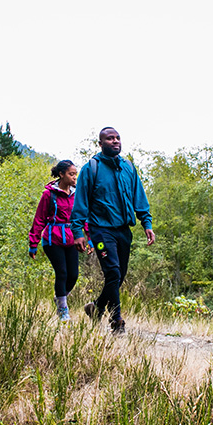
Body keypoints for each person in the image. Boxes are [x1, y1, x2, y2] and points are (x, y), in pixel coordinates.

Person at [71, 127, 155, 334]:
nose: (115, 141)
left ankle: (97, 307)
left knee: (119, 275)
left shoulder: (128, 168)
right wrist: (78, 232)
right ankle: (116, 320)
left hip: (123, 230)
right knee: (113, 271)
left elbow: (139, 197)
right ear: (100, 143)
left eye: (117, 138)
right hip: (100, 230)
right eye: (110, 138)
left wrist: (146, 223)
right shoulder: (91, 168)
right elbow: (80, 202)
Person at [28, 160, 84, 321]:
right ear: (61, 174)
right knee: (62, 272)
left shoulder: (76, 194)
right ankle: (63, 310)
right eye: (71, 174)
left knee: (73, 274)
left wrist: (89, 237)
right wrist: (33, 243)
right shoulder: (49, 194)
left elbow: (82, 217)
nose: (74, 178)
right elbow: (39, 219)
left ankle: (60, 297)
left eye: (75, 174)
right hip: (53, 239)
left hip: (72, 238)